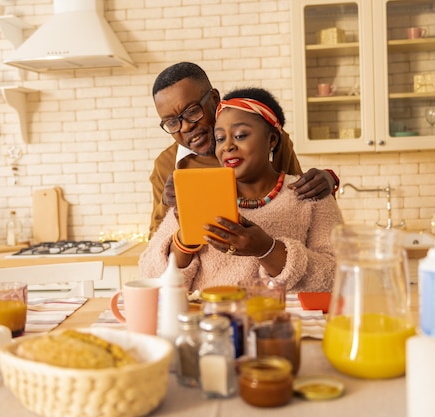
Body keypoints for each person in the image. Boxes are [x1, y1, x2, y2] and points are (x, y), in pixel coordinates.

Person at [139, 87, 344, 293]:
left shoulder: (311, 196)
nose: (227, 146)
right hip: (210, 320)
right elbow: (150, 274)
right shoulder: (199, 194)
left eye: (240, 135)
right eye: (219, 139)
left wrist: (267, 250)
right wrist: (184, 240)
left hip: (278, 321)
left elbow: (337, 277)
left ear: (272, 140)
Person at [148, 62, 340, 238]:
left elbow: (300, 204)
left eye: (192, 111)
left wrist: (327, 181)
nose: (185, 127)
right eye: (172, 122)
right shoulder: (167, 165)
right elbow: (157, 247)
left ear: (214, 99)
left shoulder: (266, 142)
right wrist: (166, 204)